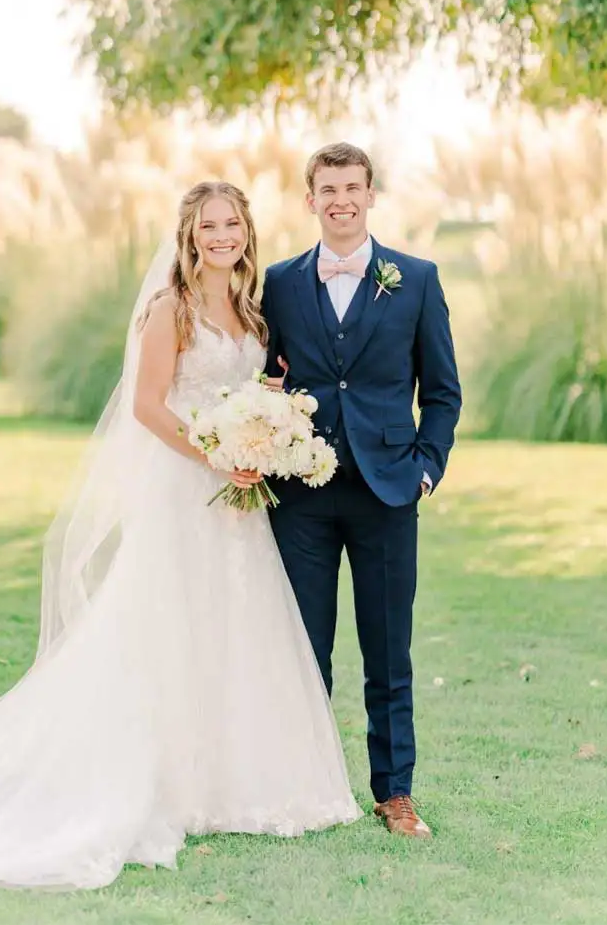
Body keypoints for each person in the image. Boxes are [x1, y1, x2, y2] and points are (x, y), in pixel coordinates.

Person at [0, 181, 360, 891]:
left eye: (233, 225)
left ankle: (229, 783)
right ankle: (165, 783)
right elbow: (151, 408)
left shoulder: (249, 308)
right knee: (170, 628)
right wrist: (219, 452)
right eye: (209, 226)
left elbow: (256, 391)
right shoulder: (171, 309)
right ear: (189, 236)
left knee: (231, 628)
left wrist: (264, 436)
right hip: (188, 491)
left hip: (239, 500)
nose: (222, 237)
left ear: (247, 232)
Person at [262, 143, 462, 838]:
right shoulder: (281, 283)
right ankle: (303, 788)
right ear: (309, 199)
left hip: (387, 493)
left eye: (352, 187)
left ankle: (395, 792)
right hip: (302, 497)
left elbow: (441, 392)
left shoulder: (416, 278)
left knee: (387, 648)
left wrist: (426, 465)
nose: (340, 199)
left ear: (372, 196)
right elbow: (266, 377)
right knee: (302, 650)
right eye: (327, 188)